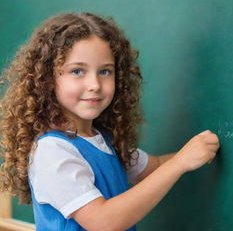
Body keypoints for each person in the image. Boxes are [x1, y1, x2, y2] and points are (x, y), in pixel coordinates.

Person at [0, 12, 220, 231]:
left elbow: (156, 167)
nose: (95, 84)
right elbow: (103, 221)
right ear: (47, 80)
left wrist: (195, 153)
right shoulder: (52, 151)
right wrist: (180, 163)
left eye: (105, 71)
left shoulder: (103, 141)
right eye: (77, 71)